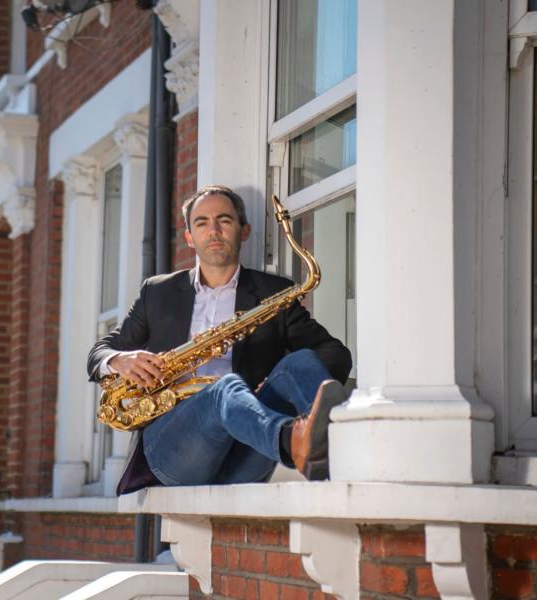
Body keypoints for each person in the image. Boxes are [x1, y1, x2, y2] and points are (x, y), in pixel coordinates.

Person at [87, 185, 352, 495]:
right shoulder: (157, 293)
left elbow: (336, 354)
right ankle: (292, 440)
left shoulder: (272, 292)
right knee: (224, 388)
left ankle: (340, 451)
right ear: (189, 236)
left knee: (300, 363)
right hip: (173, 451)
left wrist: (261, 392)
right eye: (201, 222)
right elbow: (100, 352)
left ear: (244, 230)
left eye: (224, 220)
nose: (213, 230)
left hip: (245, 451)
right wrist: (119, 360)